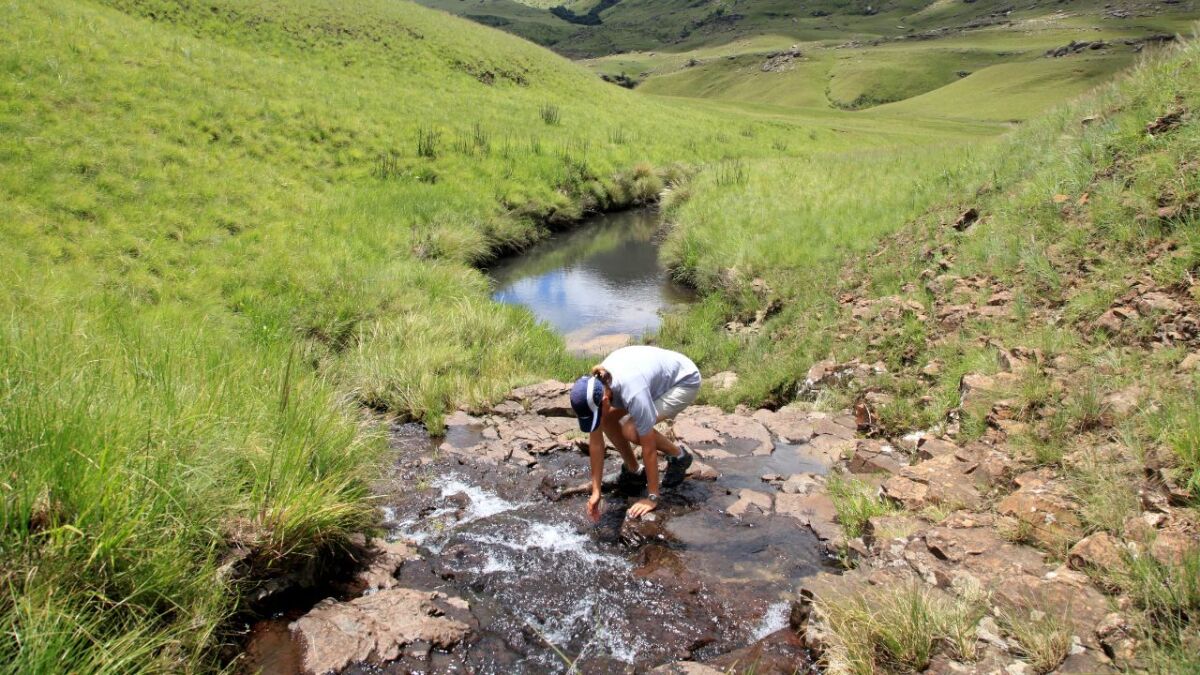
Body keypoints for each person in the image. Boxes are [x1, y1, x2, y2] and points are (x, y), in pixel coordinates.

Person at [569, 345, 701, 522]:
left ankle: (679, 456)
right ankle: (634, 472)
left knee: (631, 429)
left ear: (605, 400)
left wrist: (652, 497)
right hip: (649, 380)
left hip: (683, 381)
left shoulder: (633, 392)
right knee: (606, 419)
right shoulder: (596, 386)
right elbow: (596, 443)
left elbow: (649, 448)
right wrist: (596, 490)